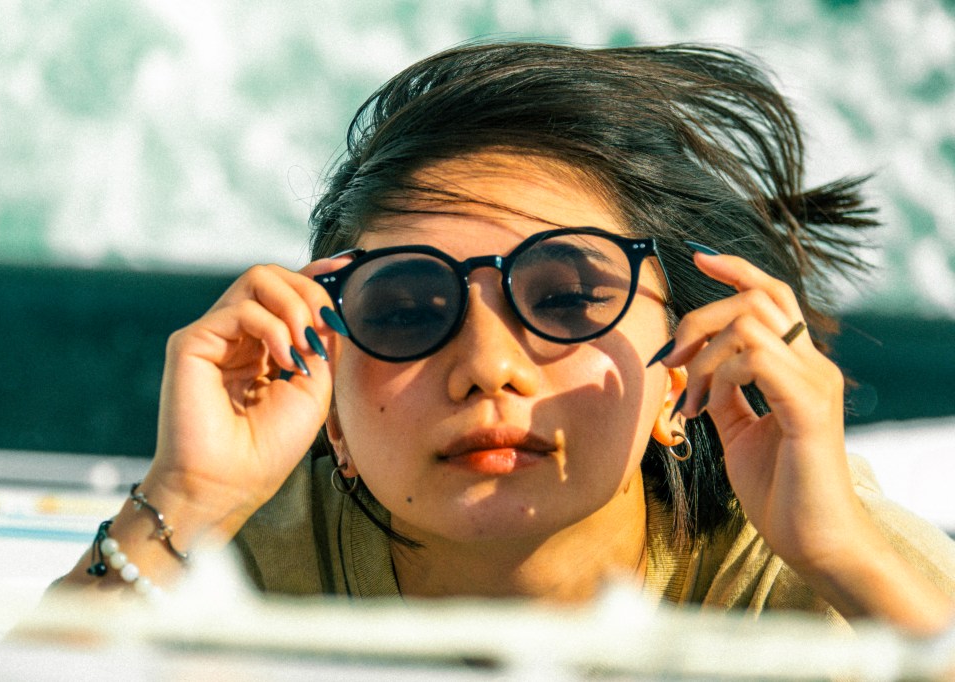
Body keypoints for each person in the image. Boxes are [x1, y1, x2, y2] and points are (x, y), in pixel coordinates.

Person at [55, 41, 955, 634]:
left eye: (567, 300)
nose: (488, 368)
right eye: (406, 313)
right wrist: (186, 498)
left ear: (678, 382)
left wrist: (841, 552)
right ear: (334, 422)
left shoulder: (806, 554)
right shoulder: (246, 556)